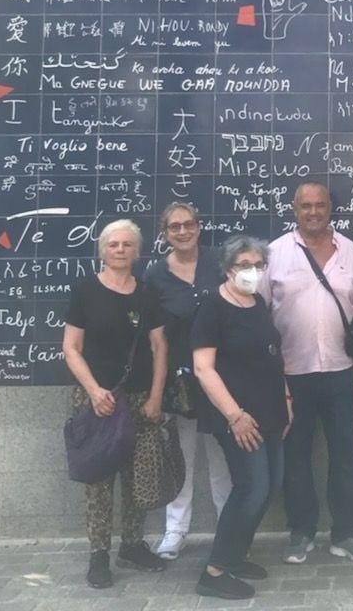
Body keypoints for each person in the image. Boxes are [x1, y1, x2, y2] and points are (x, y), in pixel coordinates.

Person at [258, 181, 353, 565]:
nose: (313, 212)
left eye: (320, 205)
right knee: (296, 454)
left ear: (331, 208)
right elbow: (259, 314)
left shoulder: (351, 251)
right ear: (294, 209)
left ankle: (346, 532)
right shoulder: (274, 253)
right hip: (290, 373)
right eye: (305, 205)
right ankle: (301, 530)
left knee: (345, 452)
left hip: (341, 371)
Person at [62, 219, 168, 589]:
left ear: (137, 251)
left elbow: (159, 347)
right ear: (102, 250)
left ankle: (133, 545)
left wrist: (156, 396)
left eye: (127, 245)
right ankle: (98, 555)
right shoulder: (86, 291)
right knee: (99, 478)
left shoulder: (147, 293)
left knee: (137, 478)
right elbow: (71, 349)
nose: (120, 250)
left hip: (139, 397)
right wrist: (93, 391)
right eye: (113, 244)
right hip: (98, 399)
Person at [191, 234, 291, 600]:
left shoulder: (258, 302)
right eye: (244, 266)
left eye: (258, 266)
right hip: (237, 416)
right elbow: (204, 369)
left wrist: (285, 397)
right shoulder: (213, 308)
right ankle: (215, 571)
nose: (252, 272)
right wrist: (235, 416)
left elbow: (271, 354)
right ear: (228, 268)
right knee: (251, 487)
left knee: (271, 484)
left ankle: (236, 554)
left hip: (271, 411)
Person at [145, 202, 231, 561]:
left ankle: (229, 529)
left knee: (221, 458)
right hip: (179, 378)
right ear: (164, 233)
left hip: (219, 375)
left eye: (189, 224)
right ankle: (175, 531)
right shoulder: (155, 275)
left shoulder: (220, 262)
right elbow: (155, 337)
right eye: (174, 227)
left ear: (199, 226)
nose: (183, 231)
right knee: (180, 457)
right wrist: (156, 387)